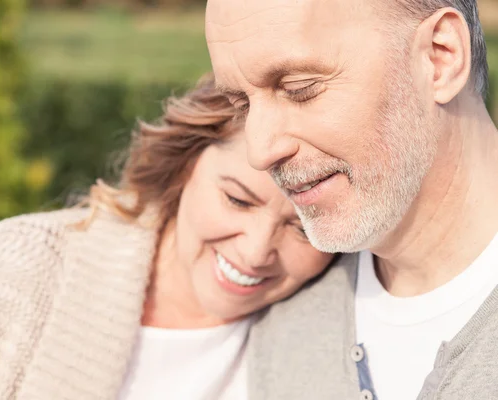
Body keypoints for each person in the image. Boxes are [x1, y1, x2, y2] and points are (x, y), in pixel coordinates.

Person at [0, 74, 333, 399]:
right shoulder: (10, 271)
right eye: (238, 200)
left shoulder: (343, 328)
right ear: (187, 165)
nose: (255, 251)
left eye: (302, 227)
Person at [205, 0, 498, 399]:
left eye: (299, 89)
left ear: (440, 57)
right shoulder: (279, 310)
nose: (259, 151)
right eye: (242, 104)